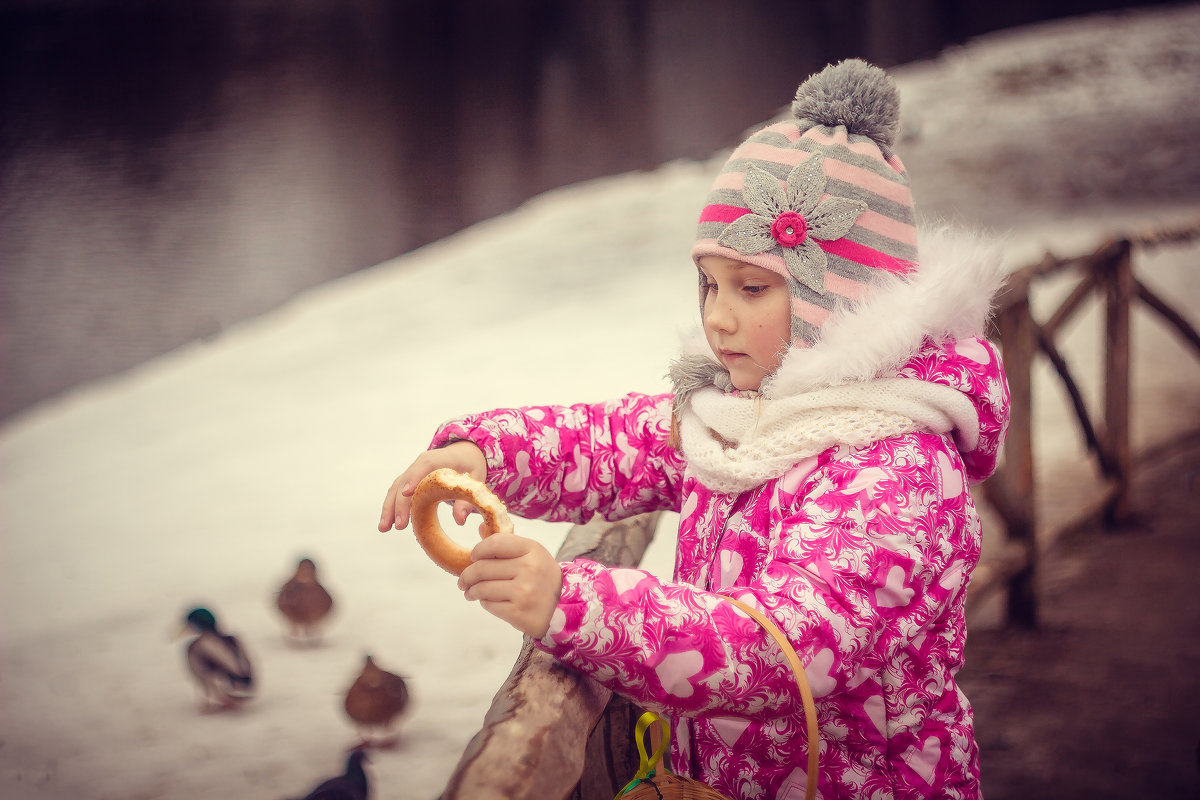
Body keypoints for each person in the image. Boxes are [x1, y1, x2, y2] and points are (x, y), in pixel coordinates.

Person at [379, 59, 1009, 800]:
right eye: (709, 283)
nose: (717, 316)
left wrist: (570, 604)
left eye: (751, 288)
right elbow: (612, 445)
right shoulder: (739, 414)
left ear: (838, 300)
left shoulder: (897, 469)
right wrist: (483, 452)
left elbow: (787, 650)